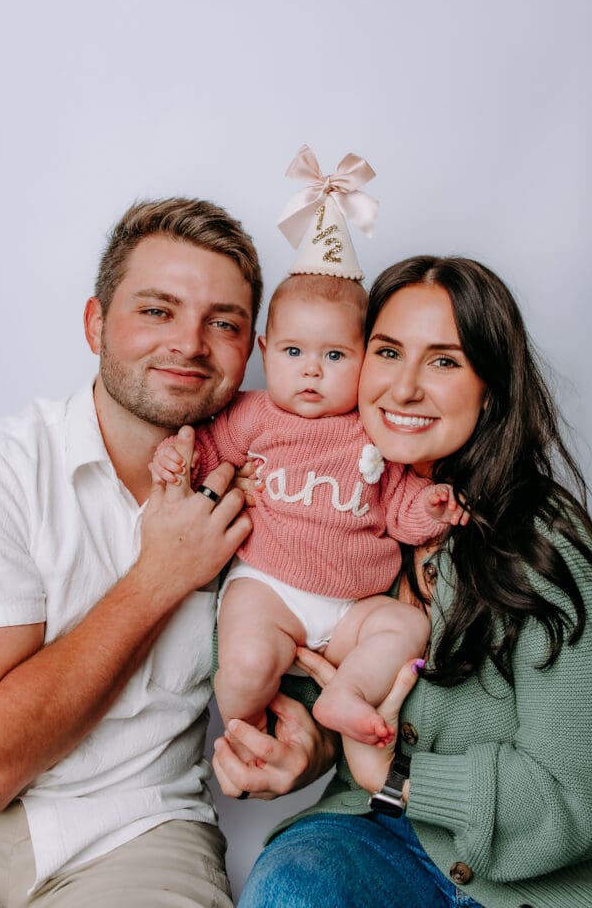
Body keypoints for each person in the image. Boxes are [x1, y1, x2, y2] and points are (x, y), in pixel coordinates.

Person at [214, 255, 592, 908]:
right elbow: (329, 698)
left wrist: (401, 778)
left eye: (443, 361)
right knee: (290, 891)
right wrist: (302, 749)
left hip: (542, 881)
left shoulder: (540, 537)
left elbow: (587, 791)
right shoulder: (331, 511)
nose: (404, 389)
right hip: (365, 840)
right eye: (387, 353)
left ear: (490, 386)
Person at [0, 198, 334, 908]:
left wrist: (310, 747)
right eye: (157, 311)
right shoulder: (0, 472)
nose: (190, 345)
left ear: (251, 348)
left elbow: (328, 670)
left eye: (222, 323)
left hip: (141, 832)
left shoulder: (281, 486)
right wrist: (158, 578)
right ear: (95, 324)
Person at [152, 270, 467, 747]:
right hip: (268, 588)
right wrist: (181, 458)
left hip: (352, 607)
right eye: (293, 352)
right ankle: (246, 732)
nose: (311, 370)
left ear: (365, 360)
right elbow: (209, 458)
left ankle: (347, 692)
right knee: (247, 663)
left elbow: (402, 513)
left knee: (407, 625)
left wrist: (433, 507)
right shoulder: (253, 414)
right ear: (265, 350)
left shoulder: (374, 430)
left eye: (335, 355)